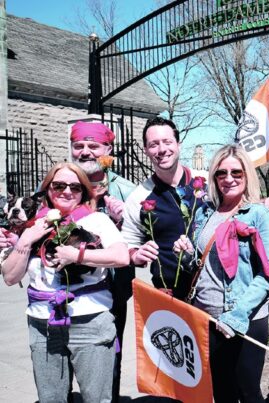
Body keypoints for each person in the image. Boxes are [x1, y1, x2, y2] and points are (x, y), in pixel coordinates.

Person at [1, 162, 129, 403]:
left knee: (97, 399)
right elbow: (10, 277)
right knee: (51, 399)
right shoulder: (34, 226)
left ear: (84, 191)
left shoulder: (97, 221)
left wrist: (77, 255)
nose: (67, 191)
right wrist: (27, 239)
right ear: (48, 189)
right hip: (43, 324)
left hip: (90, 321)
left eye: (75, 187)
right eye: (59, 185)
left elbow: (122, 257)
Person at [173, 144, 269, 403]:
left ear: (247, 176)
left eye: (236, 173)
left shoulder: (259, 215)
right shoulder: (204, 213)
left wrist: (236, 316)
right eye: (221, 173)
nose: (228, 179)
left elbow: (268, 274)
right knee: (221, 392)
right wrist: (184, 254)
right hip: (206, 318)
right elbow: (201, 266)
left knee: (248, 393)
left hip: (244, 320)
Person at [69, 121, 136, 402]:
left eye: (93, 146)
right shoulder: (59, 184)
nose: (85, 152)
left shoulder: (128, 192)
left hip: (111, 295)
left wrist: (123, 222)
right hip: (64, 295)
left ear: (108, 149)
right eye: (78, 146)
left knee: (109, 361)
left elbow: (143, 242)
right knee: (60, 361)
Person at [122, 116, 205, 299]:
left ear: (179, 144)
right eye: (153, 144)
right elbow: (128, 244)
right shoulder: (139, 197)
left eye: (167, 142)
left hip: (212, 290)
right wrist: (136, 255)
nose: (161, 150)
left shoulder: (207, 182)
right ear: (145, 150)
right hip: (170, 295)